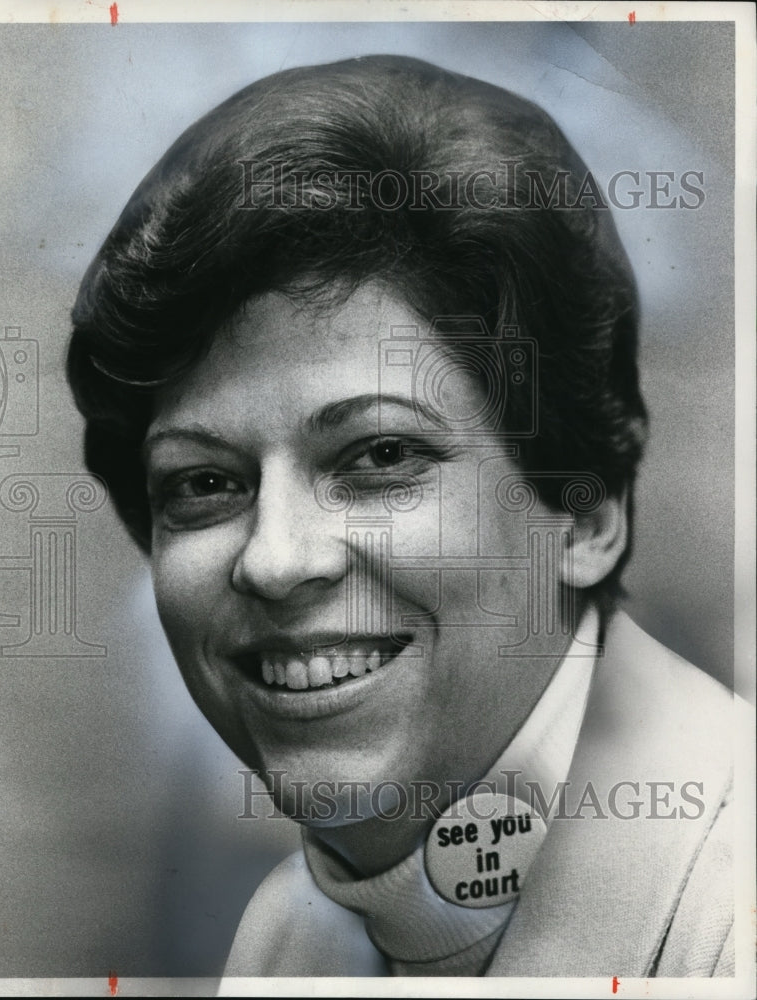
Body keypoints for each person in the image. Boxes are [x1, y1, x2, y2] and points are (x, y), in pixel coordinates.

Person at [66, 55, 734, 979]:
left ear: (585, 517)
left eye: (381, 456)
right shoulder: (285, 941)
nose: (275, 560)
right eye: (204, 484)